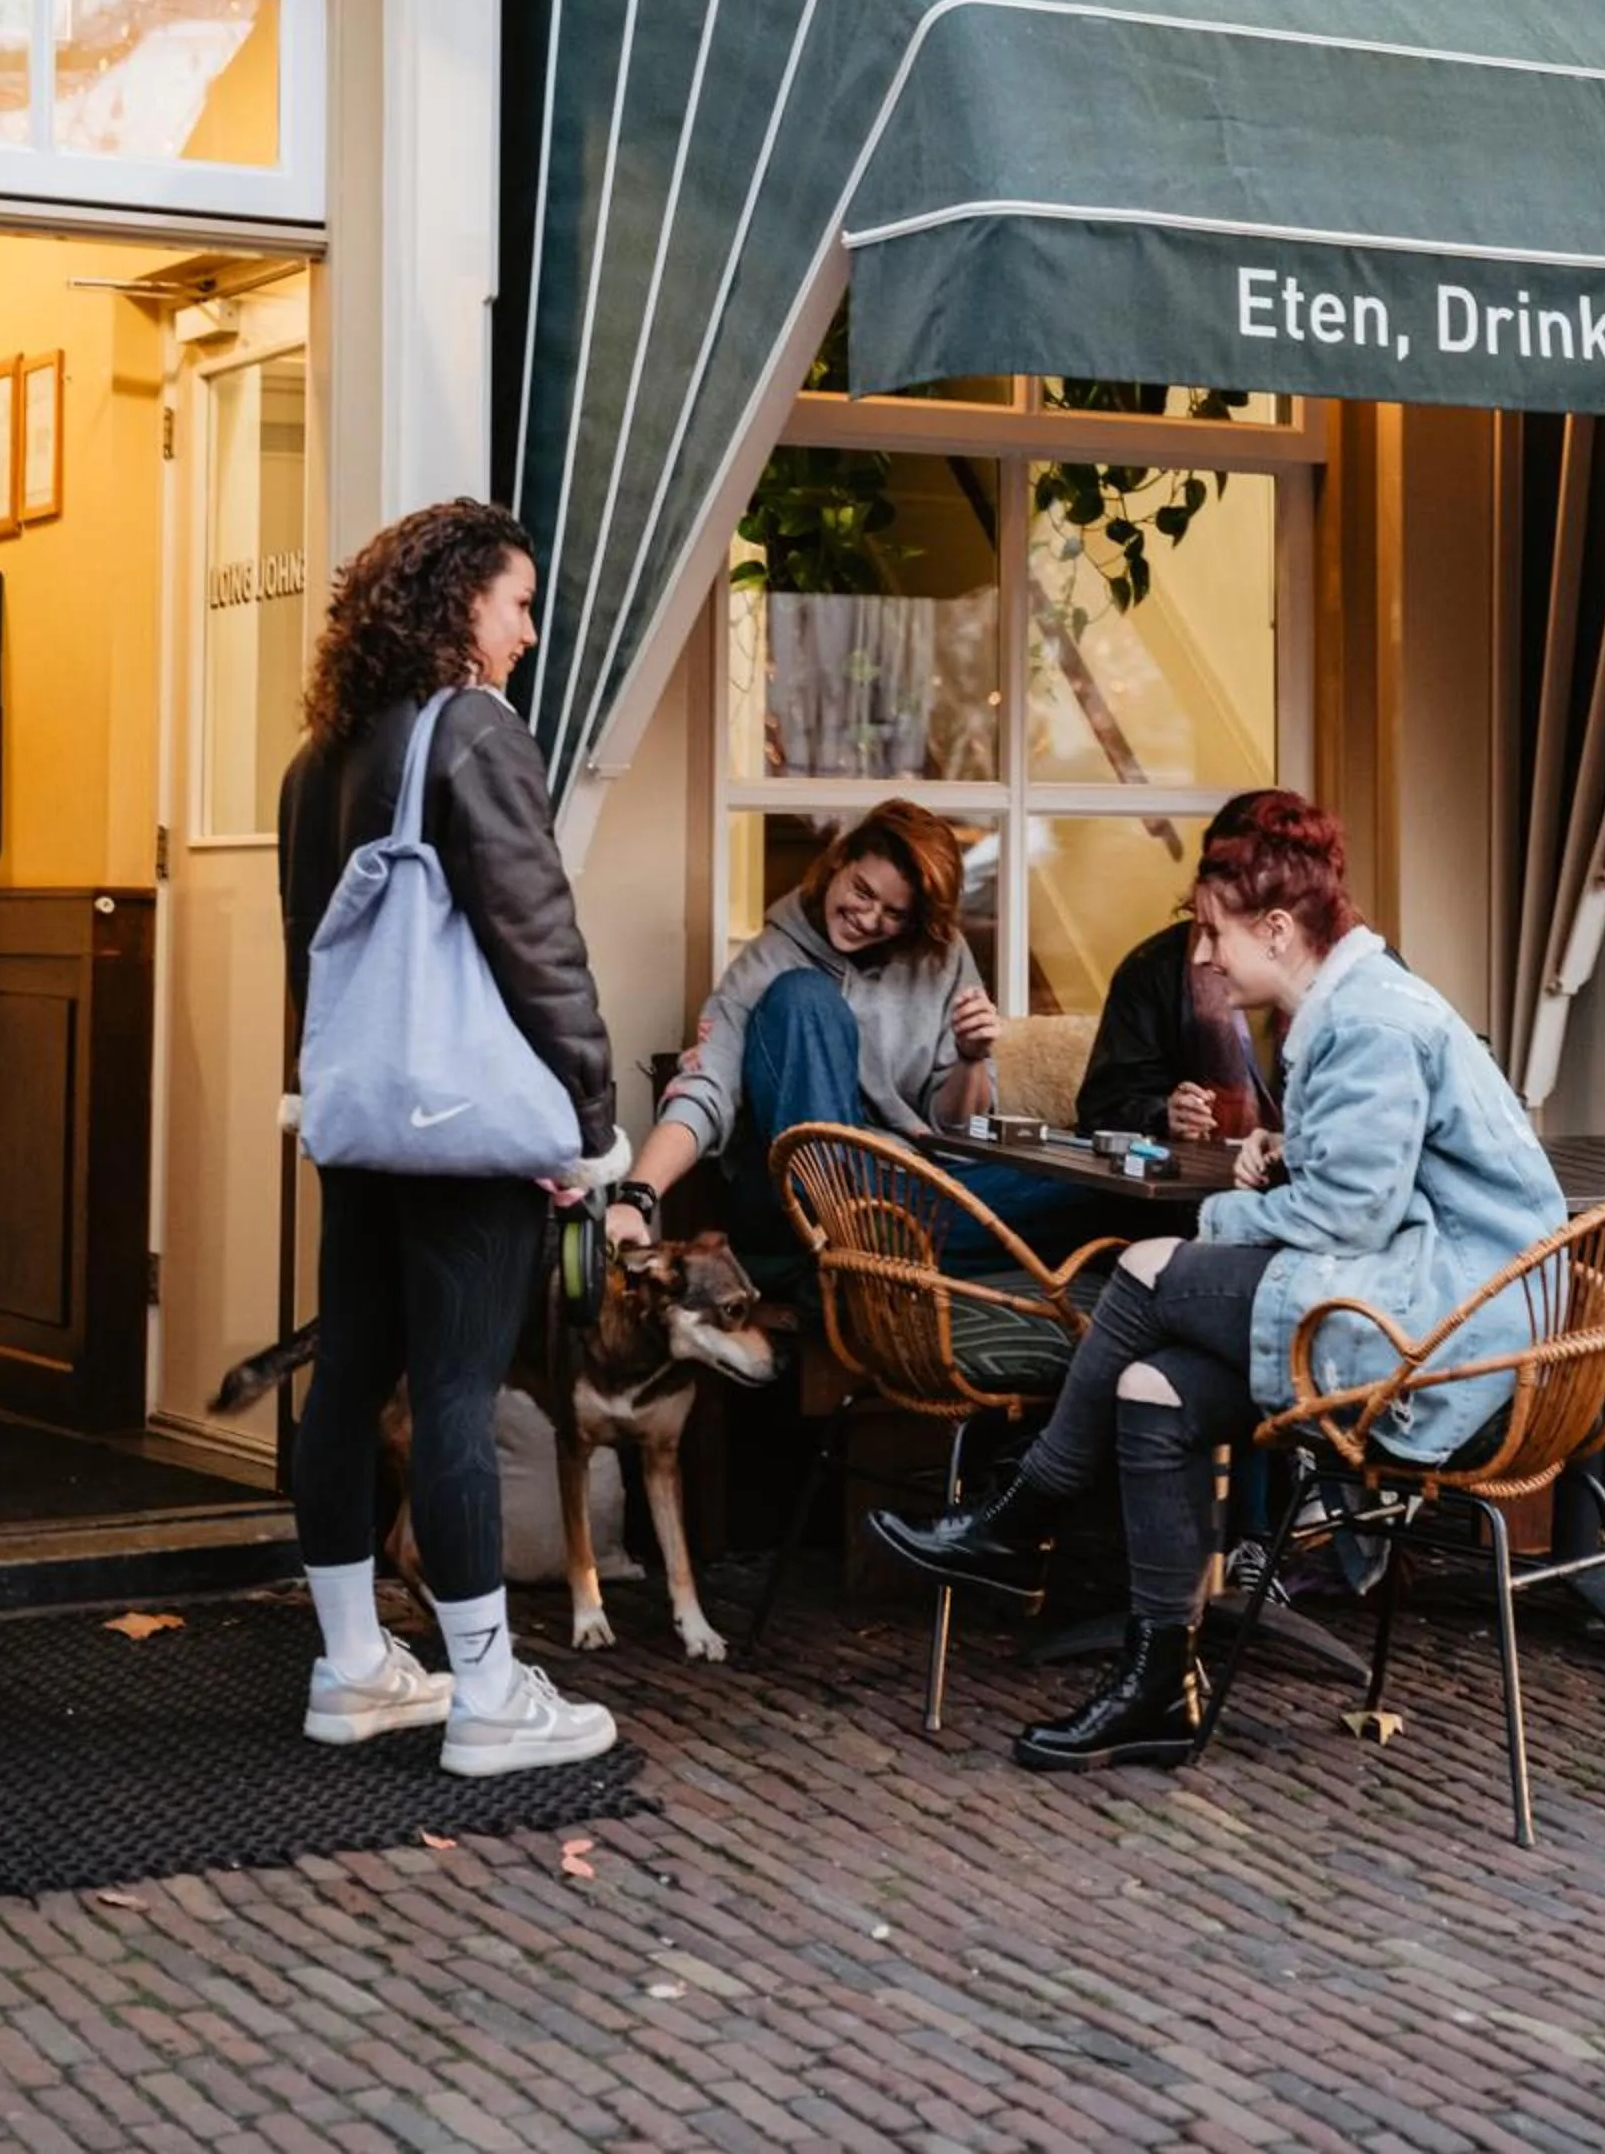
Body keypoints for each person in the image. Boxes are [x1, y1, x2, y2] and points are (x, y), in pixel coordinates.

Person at [867, 790, 1568, 1773]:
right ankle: (1158, 1687)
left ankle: (1020, 1514)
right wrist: (1285, 1155)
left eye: (1211, 935)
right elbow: (1369, 1180)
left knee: (1147, 1268)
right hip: (1414, 1297)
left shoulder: (1366, 1023)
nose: (1197, 959)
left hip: (1454, 1336)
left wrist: (1227, 1211)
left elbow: (1346, 1219)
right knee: (1150, 1389)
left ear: (1275, 929)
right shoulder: (1350, 1005)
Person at [280, 497, 624, 1777]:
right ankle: (487, 1696)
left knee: (352, 1378)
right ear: (456, 605)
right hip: (469, 1124)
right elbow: (537, 939)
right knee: (463, 1392)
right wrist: (588, 1118)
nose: (528, 630)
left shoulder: (319, 756)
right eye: (517, 602)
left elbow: (307, 958)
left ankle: (354, 1664)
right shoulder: (471, 728)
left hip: (362, 1113)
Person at [624, 802, 1085, 1270]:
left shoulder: (942, 957)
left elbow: (953, 1128)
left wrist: (969, 1058)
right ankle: (858, 1242)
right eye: (862, 891)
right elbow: (706, 1087)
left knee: (1091, 1192)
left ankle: (875, 1251)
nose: (868, 918)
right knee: (803, 995)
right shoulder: (767, 963)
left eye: (894, 913)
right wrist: (636, 1198)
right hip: (795, 1204)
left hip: (904, 1191)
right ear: (839, 861)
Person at [1075, 793, 1282, 1148]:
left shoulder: (1356, 986)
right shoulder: (1152, 969)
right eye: (1216, 866)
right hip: (1189, 1190)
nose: (1202, 955)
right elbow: (1102, 1109)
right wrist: (1161, 1116)